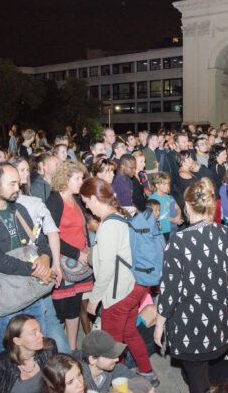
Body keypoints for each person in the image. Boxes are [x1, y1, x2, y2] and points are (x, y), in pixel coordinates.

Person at [154, 177, 228, 393]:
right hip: (222, 318)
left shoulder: (178, 241)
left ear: (187, 205)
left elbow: (169, 290)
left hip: (192, 324)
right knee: (202, 368)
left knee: (197, 379)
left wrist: (159, 324)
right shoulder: (227, 234)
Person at [79, 177, 159, 387]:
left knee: (110, 345)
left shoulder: (107, 226)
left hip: (119, 292)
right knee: (129, 332)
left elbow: (105, 271)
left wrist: (93, 300)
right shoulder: (121, 216)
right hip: (136, 287)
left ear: (95, 198)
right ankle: (146, 372)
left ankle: (114, 384)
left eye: (86, 202)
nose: (86, 206)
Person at [0, 163, 55, 354]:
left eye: (18, 183)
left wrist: (44, 257)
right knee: (11, 355)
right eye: (12, 183)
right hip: (8, 297)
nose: (18, 188)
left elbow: (38, 237)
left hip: (32, 292)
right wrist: (35, 269)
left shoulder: (18, 209)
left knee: (36, 348)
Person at [9, 156, 71, 353]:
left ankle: (55, 365)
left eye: (27, 170)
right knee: (44, 319)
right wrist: (54, 264)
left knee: (38, 322)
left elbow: (52, 232)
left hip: (34, 269)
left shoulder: (32, 201)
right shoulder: (21, 202)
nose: (25, 174)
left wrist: (55, 264)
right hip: (26, 271)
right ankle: (63, 364)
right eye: (21, 170)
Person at [46, 161, 93, 351]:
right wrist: (76, 253)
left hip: (79, 264)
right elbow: (51, 234)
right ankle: (58, 351)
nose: (81, 182)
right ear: (66, 180)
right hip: (64, 264)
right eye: (78, 178)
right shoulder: (55, 201)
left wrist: (87, 248)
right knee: (60, 311)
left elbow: (82, 229)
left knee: (74, 308)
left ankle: (72, 349)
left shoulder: (77, 200)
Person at [0, 314, 57, 393]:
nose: (41, 335)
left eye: (39, 330)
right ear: (17, 341)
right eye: (33, 333)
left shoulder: (49, 349)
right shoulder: (0, 365)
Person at [74, 330, 154, 393]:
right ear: (92, 360)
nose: (116, 359)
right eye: (110, 356)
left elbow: (137, 380)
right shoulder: (78, 382)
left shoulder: (111, 368)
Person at [151, 172, 182, 241]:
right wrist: (174, 220)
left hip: (174, 226)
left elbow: (177, 208)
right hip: (163, 230)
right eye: (164, 184)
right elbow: (158, 215)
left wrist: (178, 216)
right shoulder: (153, 199)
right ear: (157, 185)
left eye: (168, 184)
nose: (167, 186)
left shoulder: (169, 197)